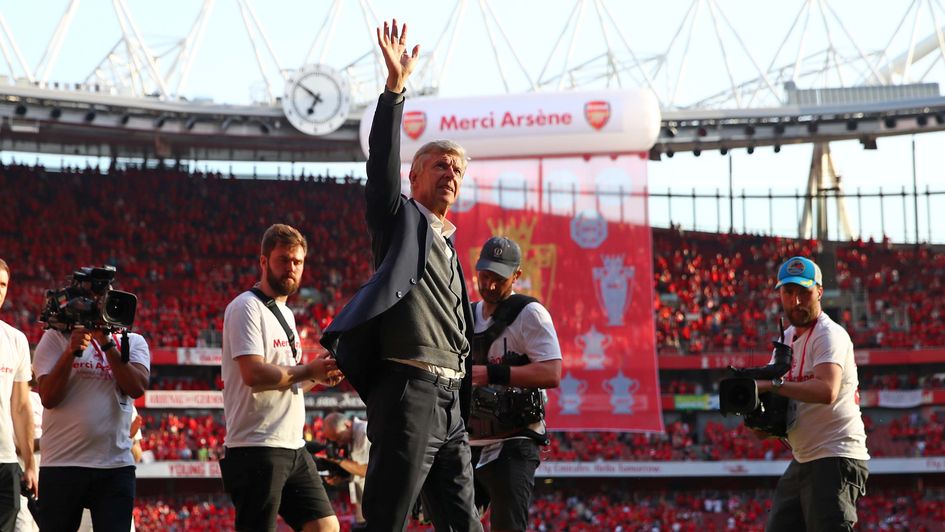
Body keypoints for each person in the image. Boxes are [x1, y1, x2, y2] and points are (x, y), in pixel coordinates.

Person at [320, 19, 482, 532]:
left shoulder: (450, 246)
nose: (450, 174)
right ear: (414, 176)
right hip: (410, 392)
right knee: (386, 521)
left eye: (457, 169)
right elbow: (381, 167)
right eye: (440, 166)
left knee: (465, 524)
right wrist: (395, 89)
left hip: (451, 400)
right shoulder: (398, 220)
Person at [220, 223, 343, 532]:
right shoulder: (246, 307)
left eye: (297, 261)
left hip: (292, 444)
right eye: (283, 260)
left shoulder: (286, 313)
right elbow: (254, 373)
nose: (291, 267)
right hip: (256, 446)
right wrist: (309, 370)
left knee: (325, 526)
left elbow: (287, 380)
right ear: (264, 261)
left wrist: (318, 377)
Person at [755, 256, 870, 531]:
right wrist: (756, 414)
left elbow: (827, 390)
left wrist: (771, 385)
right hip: (804, 457)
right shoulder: (785, 339)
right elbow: (775, 405)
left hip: (835, 455)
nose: (795, 301)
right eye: (788, 292)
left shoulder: (829, 334)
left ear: (819, 292)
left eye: (804, 292)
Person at [32, 275, 150, 531]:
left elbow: (136, 387)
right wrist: (70, 353)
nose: (99, 306)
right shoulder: (55, 338)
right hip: (62, 464)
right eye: (92, 300)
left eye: (104, 299)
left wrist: (106, 343)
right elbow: (49, 398)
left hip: (115, 466)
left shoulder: (133, 341)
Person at [467, 237, 562, 532]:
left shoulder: (530, 313)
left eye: (499, 278)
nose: (490, 285)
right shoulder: (466, 314)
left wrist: (492, 374)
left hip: (514, 439)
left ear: (516, 275)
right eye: (485, 276)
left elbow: (552, 372)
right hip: (469, 441)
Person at [0, 259, 36, 532]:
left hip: (6, 462)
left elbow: (22, 407)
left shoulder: (15, 340)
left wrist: (30, 465)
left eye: (2, 284)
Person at [322, 412, 370, 526]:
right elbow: (355, 468)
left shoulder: (364, 433)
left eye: (339, 438)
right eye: (335, 441)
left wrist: (338, 460)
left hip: (377, 502)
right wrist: (341, 477)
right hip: (362, 501)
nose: (338, 444)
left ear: (347, 425)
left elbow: (366, 471)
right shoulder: (349, 436)